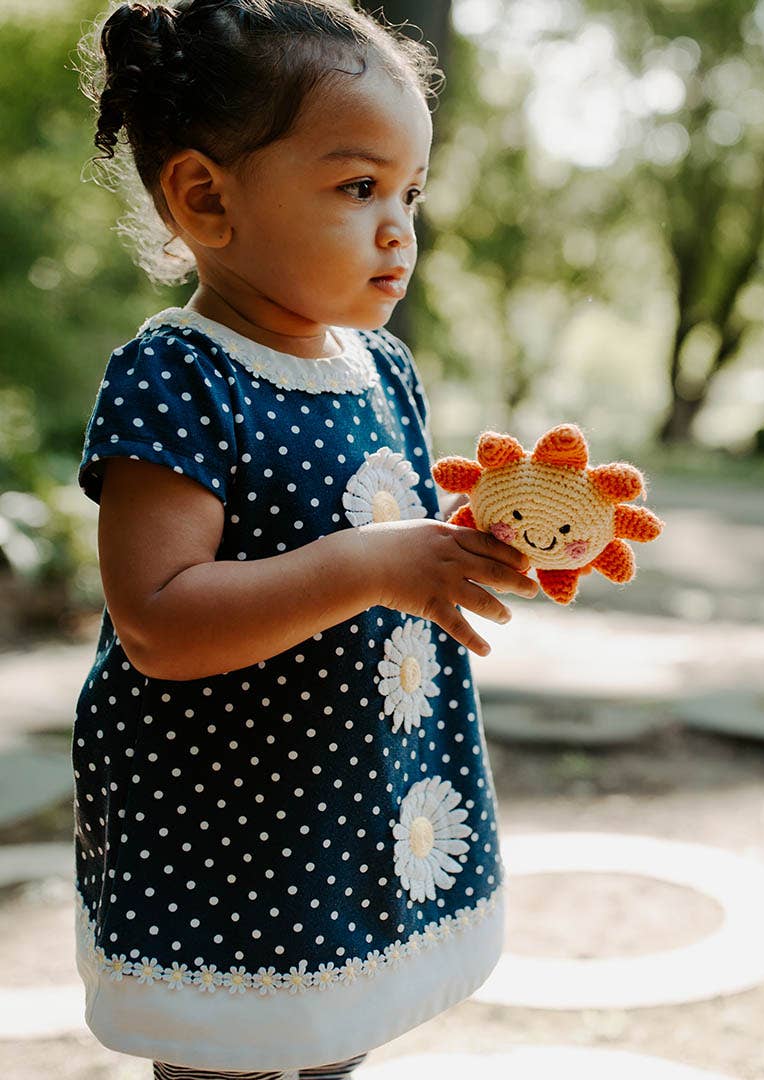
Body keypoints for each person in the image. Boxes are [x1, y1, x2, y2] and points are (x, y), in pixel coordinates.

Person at [70, 2, 539, 1077]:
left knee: (337, 1033)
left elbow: (391, 541)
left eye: (411, 193)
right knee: (227, 1054)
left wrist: (475, 543)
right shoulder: (179, 375)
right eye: (357, 187)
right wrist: (372, 565)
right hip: (227, 823)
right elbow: (158, 621)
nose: (399, 229)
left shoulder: (386, 371)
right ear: (205, 198)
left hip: (349, 797)